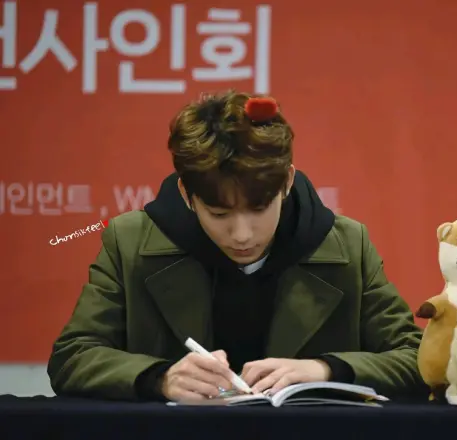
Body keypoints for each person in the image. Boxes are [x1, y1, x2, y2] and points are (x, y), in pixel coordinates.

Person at [47, 90, 428, 402]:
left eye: (259, 209)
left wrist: (325, 369)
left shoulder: (347, 243)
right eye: (219, 213)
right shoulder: (129, 241)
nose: (242, 235)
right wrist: (160, 378)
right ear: (187, 194)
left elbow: (418, 359)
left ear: (286, 182)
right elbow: (72, 357)